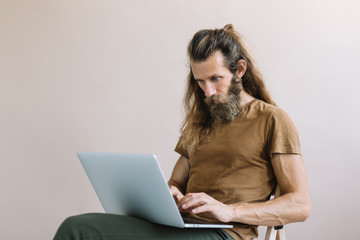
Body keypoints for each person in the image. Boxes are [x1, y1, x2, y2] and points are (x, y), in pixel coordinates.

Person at [53, 24, 311, 240]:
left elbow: (300, 205)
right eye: (200, 81)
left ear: (239, 70)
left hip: (224, 234)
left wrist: (228, 211)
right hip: (183, 227)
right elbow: (175, 183)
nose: (207, 92)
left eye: (215, 79)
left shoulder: (273, 119)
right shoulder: (200, 122)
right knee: (77, 228)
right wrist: (171, 195)